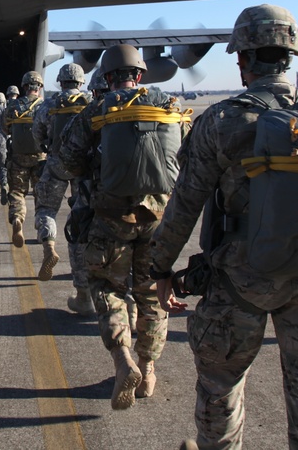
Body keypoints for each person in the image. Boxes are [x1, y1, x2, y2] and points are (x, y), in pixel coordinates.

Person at [149, 4, 298, 449]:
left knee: (220, 385)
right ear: (290, 56)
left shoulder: (222, 120)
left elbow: (184, 205)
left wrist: (160, 269)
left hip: (242, 276)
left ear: (241, 59)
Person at [59, 44, 187, 410]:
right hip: (159, 217)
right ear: (140, 74)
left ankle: (122, 359)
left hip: (110, 217)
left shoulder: (97, 108)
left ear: (107, 77)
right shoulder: (168, 105)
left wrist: (96, 173)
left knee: (107, 286)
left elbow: (69, 158)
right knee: (151, 293)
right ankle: (147, 370)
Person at [31, 62, 88, 281]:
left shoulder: (49, 104)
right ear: (81, 82)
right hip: (83, 168)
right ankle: (82, 267)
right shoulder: (90, 103)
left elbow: (37, 132)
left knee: (46, 208)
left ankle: (49, 247)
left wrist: (45, 146)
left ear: (61, 82)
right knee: (83, 214)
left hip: (56, 163)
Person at [63, 70, 110, 316]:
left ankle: (84, 297)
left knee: (77, 233)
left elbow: (69, 155)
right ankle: (139, 308)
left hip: (98, 192)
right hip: (149, 197)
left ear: (94, 90)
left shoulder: (91, 112)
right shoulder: (156, 104)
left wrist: (84, 175)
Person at [3, 72, 47, 248]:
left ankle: (17, 219)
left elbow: (5, 128)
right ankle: (42, 232)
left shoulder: (13, 105)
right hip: (41, 158)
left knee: (17, 192)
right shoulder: (45, 106)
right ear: (40, 87)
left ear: (24, 86)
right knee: (41, 196)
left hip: (18, 157)